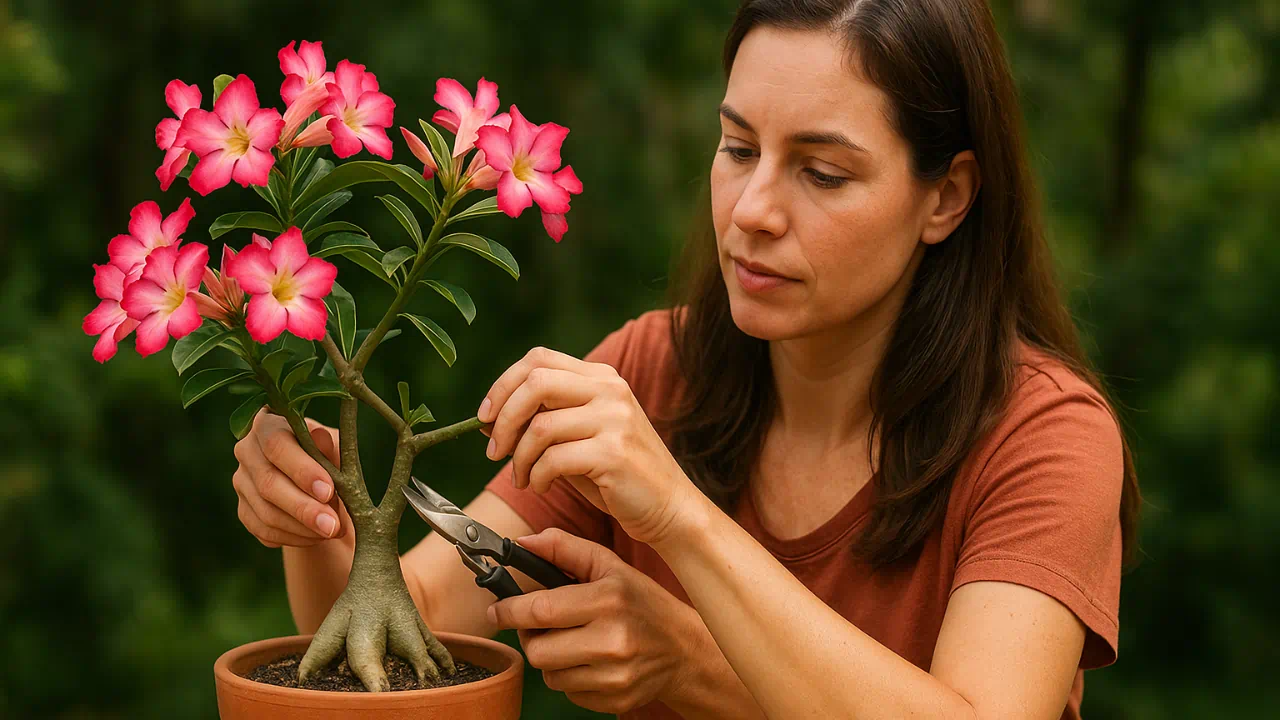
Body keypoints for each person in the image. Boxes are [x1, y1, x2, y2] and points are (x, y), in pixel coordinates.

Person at [230, 0, 1141, 717]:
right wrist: (323, 522)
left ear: (947, 196)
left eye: (821, 173)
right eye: (737, 147)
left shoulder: (1044, 438)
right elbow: (396, 635)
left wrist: (682, 557)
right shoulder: (654, 371)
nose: (752, 210)